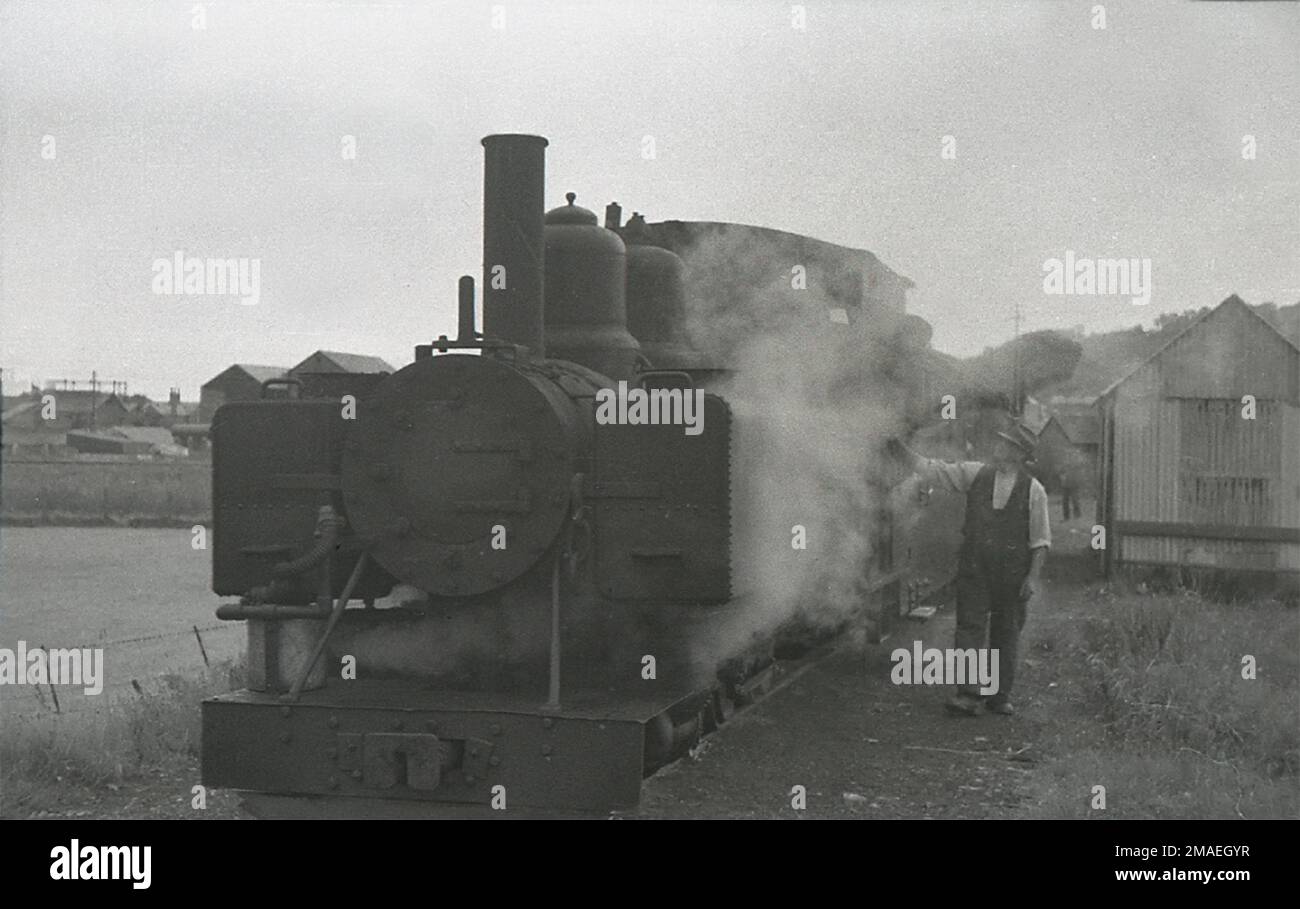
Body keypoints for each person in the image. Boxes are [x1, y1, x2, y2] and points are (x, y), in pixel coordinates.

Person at [887, 422, 1050, 716]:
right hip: (975, 567)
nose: (998, 447)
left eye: (1005, 444)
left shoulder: (1034, 491)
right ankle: (968, 694)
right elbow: (935, 469)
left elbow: (1040, 541)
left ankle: (999, 696)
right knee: (969, 629)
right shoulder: (976, 473)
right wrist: (900, 450)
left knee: (1006, 631)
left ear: (1017, 453)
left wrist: (1032, 578)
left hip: (1012, 573)